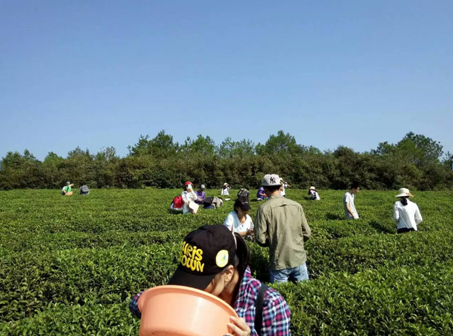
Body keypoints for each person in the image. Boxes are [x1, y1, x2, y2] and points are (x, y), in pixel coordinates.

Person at [129, 225, 291, 335]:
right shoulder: (188, 292)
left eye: (200, 282)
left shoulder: (269, 305)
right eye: (187, 279)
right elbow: (137, 302)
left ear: (228, 273)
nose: (191, 289)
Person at [255, 174, 311, 284]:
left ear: (265, 189)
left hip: (278, 261)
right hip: (299, 258)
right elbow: (307, 233)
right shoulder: (296, 205)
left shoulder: (263, 209)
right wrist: (296, 243)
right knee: (305, 294)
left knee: (280, 298)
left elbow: (260, 238)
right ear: (281, 187)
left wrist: (274, 242)